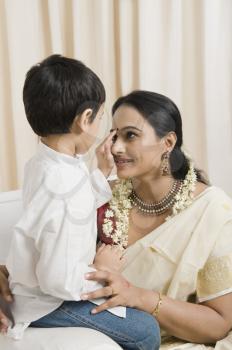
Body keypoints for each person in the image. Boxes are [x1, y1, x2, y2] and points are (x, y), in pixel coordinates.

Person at [0, 60, 160, 350]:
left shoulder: (44, 162)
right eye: (99, 118)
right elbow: (55, 280)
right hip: (47, 302)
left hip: (33, 291)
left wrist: (99, 172)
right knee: (146, 331)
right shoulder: (63, 189)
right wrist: (99, 270)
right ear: (85, 118)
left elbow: (73, 201)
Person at [85, 90, 232, 349]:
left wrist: (139, 297)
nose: (116, 147)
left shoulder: (212, 210)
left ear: (168, 142)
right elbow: (52, 258)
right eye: (115, 135)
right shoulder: (100, 198)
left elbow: (219, 324)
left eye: (130, 135)